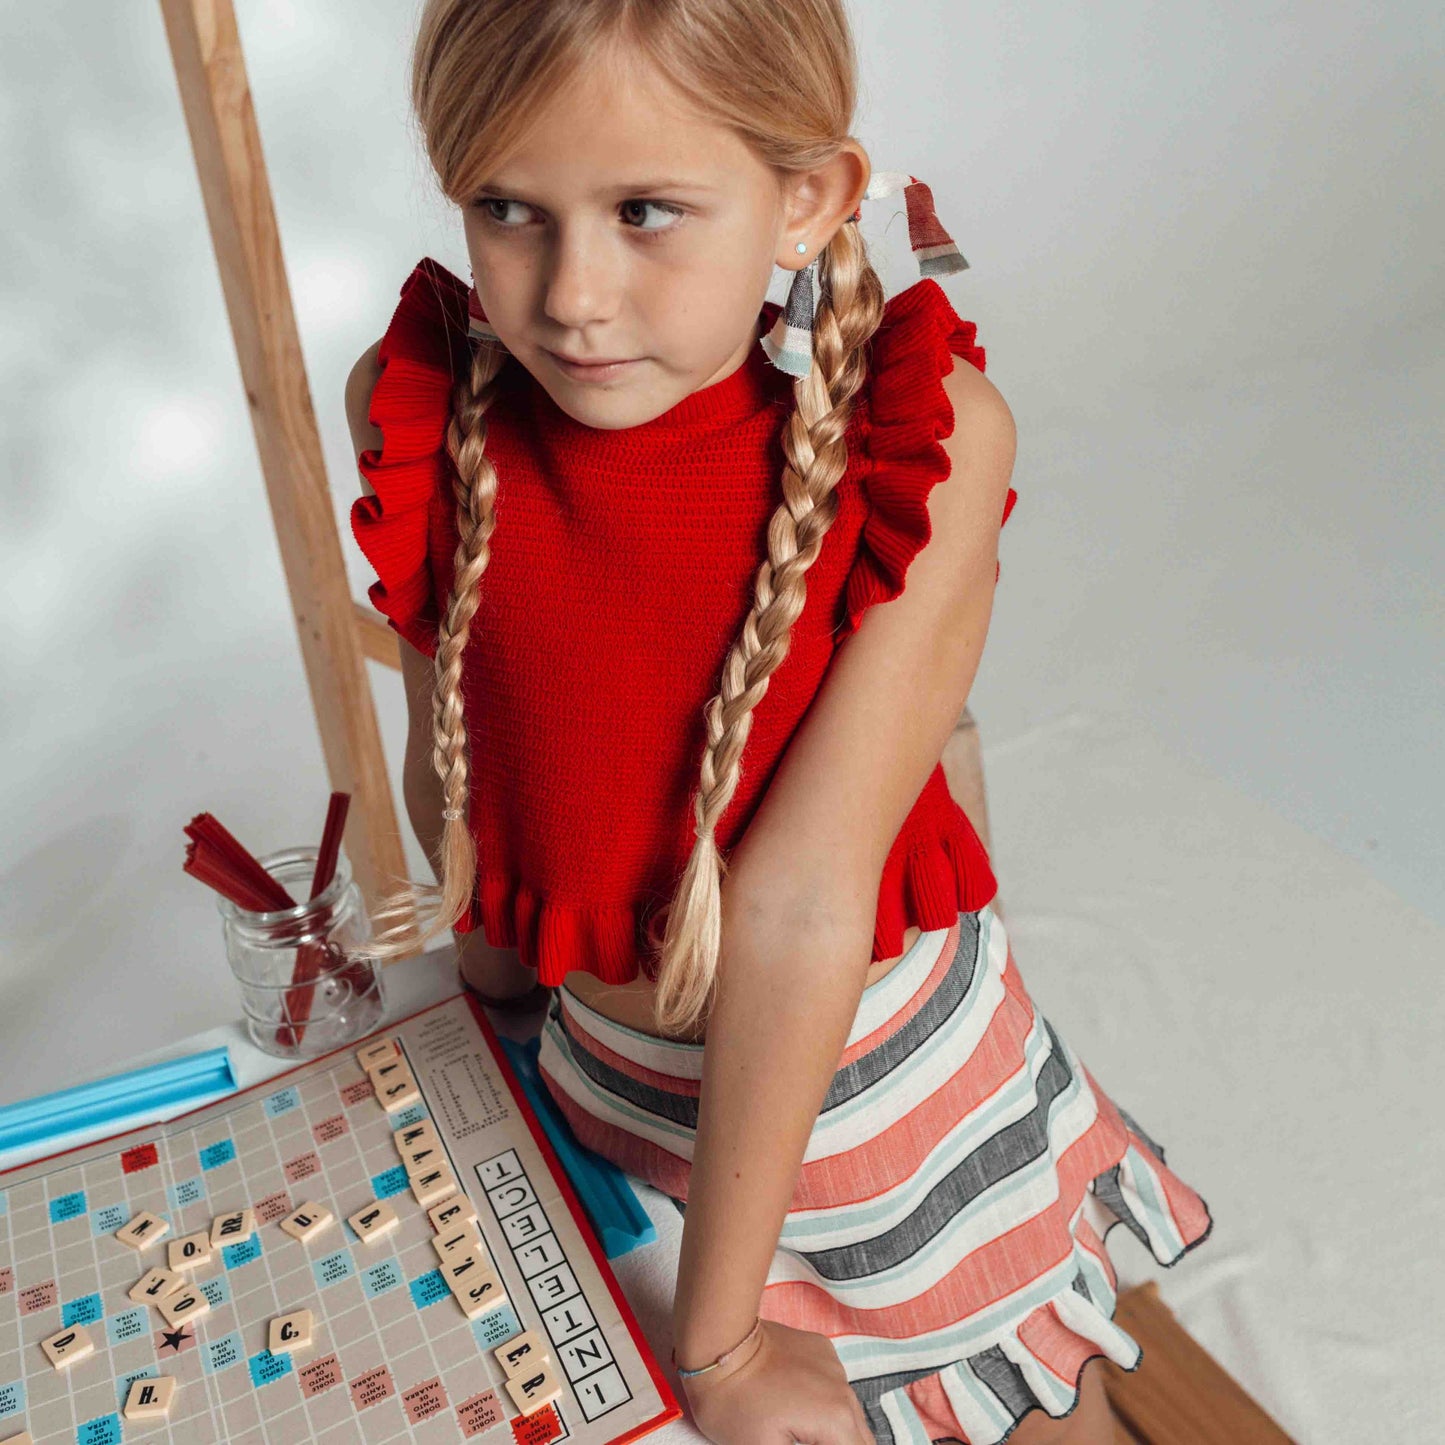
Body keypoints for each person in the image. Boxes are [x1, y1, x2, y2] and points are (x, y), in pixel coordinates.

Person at [345, 2, 1214, 1440]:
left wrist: (723, 1346)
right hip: (603, 1062)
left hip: (863, 1093)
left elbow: (801, 903)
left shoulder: (926, 431)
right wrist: (483, 1006)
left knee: (1004, 1411)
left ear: (803, 200)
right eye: (507, 208)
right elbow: (467, 732)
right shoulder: (418, 399)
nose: (570, 294)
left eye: (645, 211)